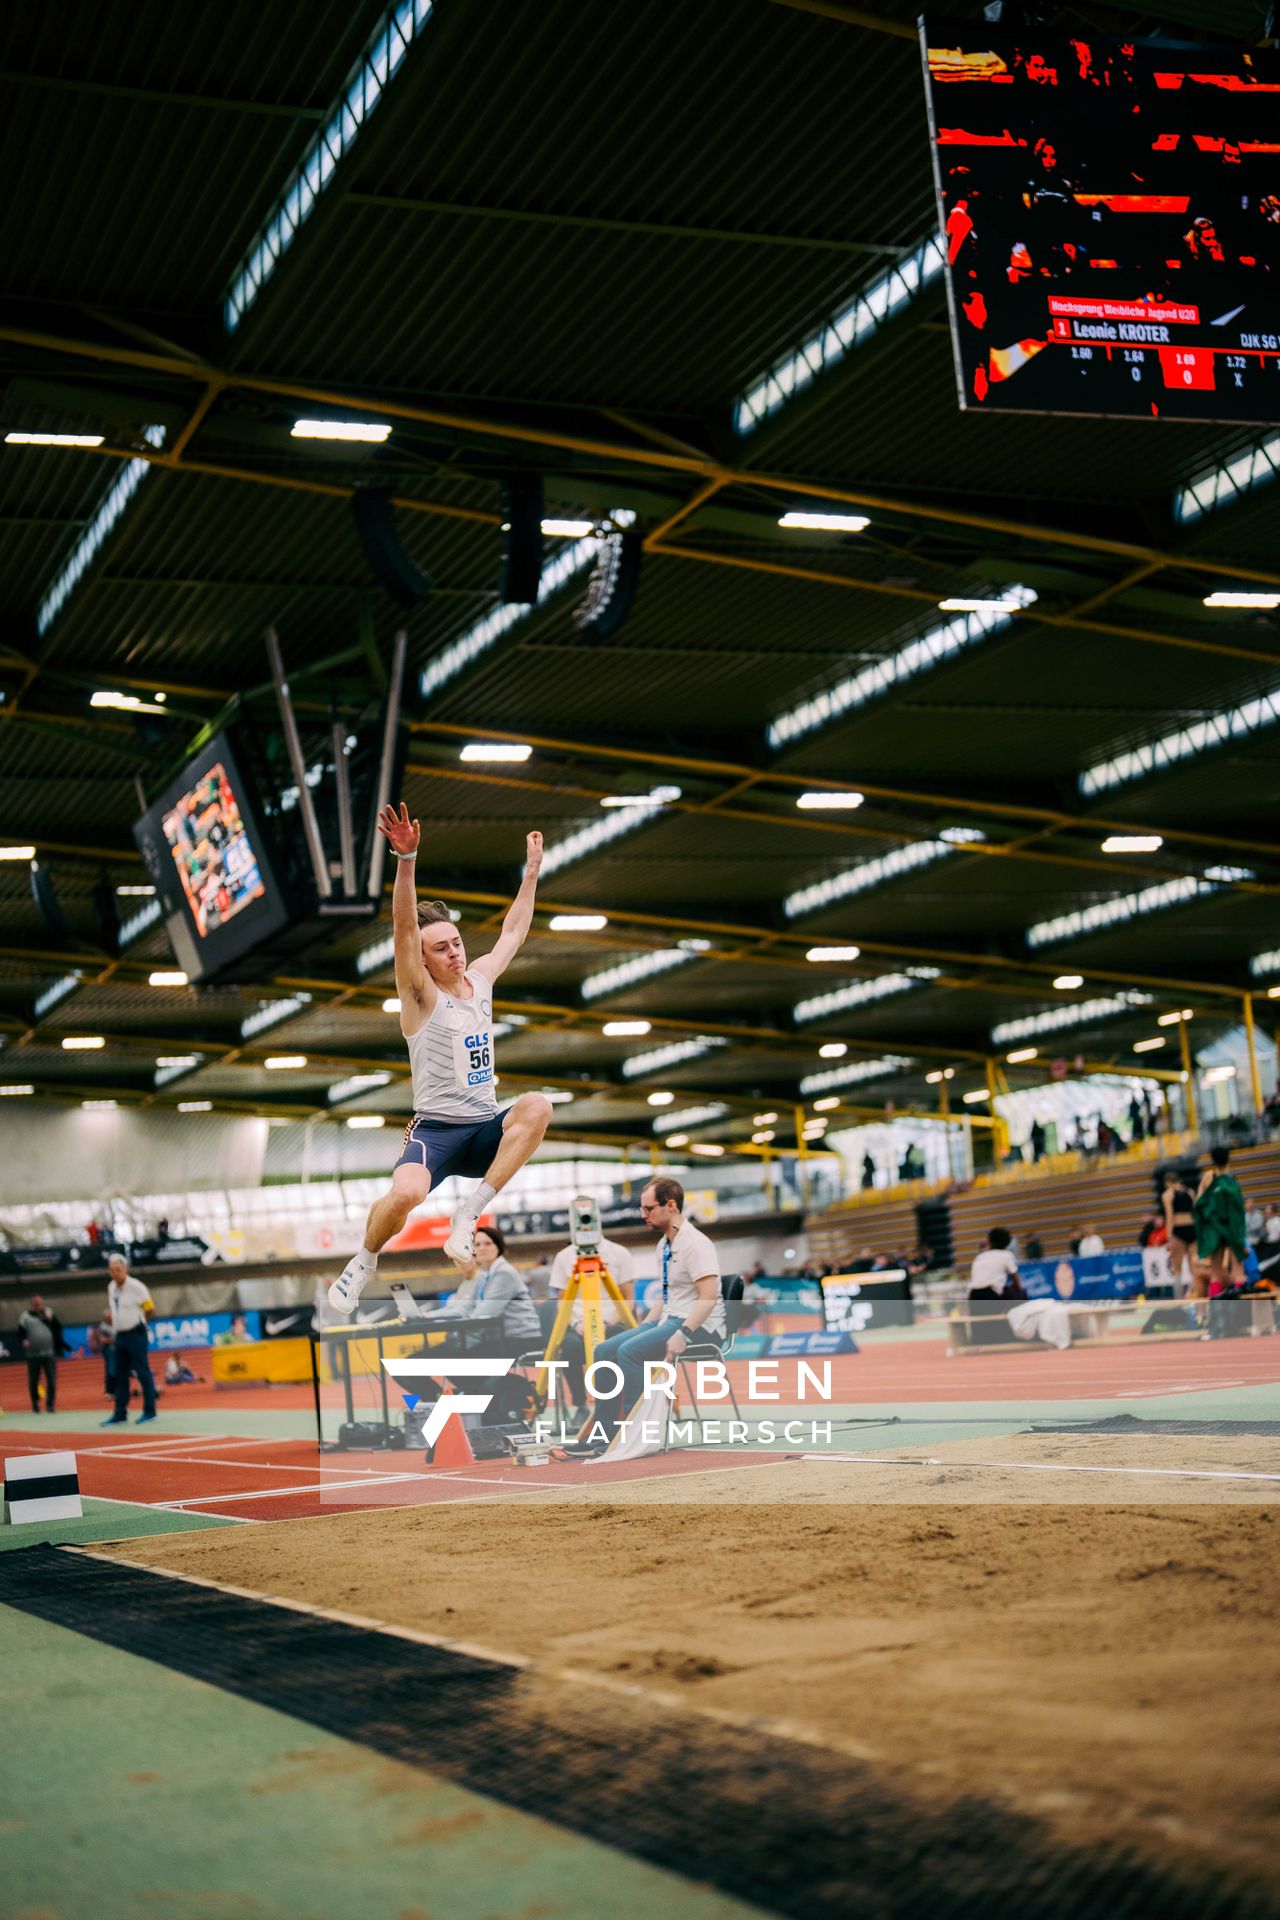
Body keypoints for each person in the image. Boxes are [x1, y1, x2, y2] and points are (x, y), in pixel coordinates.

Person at [328, 801, 553, 1314]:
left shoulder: (482, 980)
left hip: (483, 1127)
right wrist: (405, 860)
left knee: (538, 1105)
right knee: (404, 1195)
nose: (455, 952)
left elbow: (514, 930)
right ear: (424, 961)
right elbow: (405, 929)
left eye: (456, 942)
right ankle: (362, 1262)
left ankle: (468, 1216)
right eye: (442, 949)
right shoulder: (420, 997)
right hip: (436, 1131)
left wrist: (532, 873)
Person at [573, 1178, 724, 1455]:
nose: (643, 1215)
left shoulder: (695, 1244)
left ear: (671, 1205)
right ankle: (604, 1435)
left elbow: (709, 1297)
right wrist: (644, 1328)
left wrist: (684, 1333)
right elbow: (665, 1296)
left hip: (701, 1326)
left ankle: (634, 1435)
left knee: (630, 1351)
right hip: (670, 1319)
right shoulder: (664, 1245)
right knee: (605, 1349)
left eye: (648, 1209)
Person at [548, 1231, 636, 1414]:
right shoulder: (564, 1257)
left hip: (612, 1322)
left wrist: (607, 1322)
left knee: (616, 1343)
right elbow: (562, 1302)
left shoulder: (619, 1253)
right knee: (569, 1347)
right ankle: (581, 1406)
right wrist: (576, 1324)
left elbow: (629, 1298)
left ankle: (618, 1405)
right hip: (579, 1325)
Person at [101, 1253, 157, 1426]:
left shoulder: (136, 1287)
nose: (115, 1273)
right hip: (120, 1336)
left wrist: (142, 1324)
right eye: (112, 1270)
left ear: (125, 1269)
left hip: (136, 1333)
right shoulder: (111, 1287)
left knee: (143, 1372)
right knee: (120, 1375)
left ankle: (150, 1411)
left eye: (118, 1269)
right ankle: (120, 1414)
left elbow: (150, 1308)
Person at [1194, 1147, 1247, 1296]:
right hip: (1231, 1228)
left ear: (1212, 1160)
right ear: (1229, 1158)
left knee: (1215, 1273)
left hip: (1215, 1229)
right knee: (1239, 1271)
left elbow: (1198, 1203)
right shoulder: (1232, 1180)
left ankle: (1216, 1313)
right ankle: (1240, 1311)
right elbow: (1239, 1211)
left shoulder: (1208, 1176)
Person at [18, 1295, 66, 1413]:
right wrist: (23, 1340)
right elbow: (20, 1333)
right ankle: (35, 1403)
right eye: (35, 1304)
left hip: (49, 1353)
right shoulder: (25, 1317)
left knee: (51, 1379)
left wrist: (50, 1319)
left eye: (39, 1303)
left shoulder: (49, 1313)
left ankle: (50, 1405)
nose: (37, 1306)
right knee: (33, 1380)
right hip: (32, 1355)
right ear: (31, 1305)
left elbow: (58, 1327)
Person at [967, 1228, 1021, 1300]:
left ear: (989, 1241)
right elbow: (1016, 1280)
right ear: (1008, 1243)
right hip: (991, 1293)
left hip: (974, 1294)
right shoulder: (1007, 1255)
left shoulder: (979, 1257)